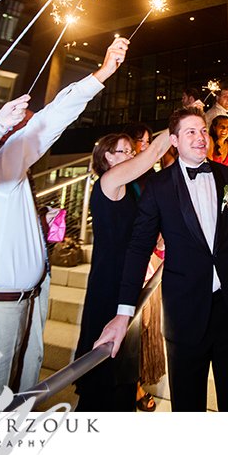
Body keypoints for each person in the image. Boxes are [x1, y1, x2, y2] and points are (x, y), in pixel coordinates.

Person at [0, 37, 129, 397]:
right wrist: (100, 74)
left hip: (30, 297)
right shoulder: (1, 165)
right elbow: (54, 117)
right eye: (26, 124)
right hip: (2, 308)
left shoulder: (13, 173)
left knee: (23, 389)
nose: (34, 127)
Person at [95, 107, 228, 411]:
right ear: (174, 141)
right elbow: (139, 247)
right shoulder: (157, 187)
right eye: (190, 132)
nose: (200, 137)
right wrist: (124, 312)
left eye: (203, 130)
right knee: (187, 404)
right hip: (185, 312)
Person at [73, 129, 171, 411]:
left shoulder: (128, 190)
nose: (131, 155)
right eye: (124, 151)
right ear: (106, 157)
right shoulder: (108, 181)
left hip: (128, 279)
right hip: (109, 281)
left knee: (124, 365)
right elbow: (152, 153)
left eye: (131, 150)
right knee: (106, 367)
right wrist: (181, 119)